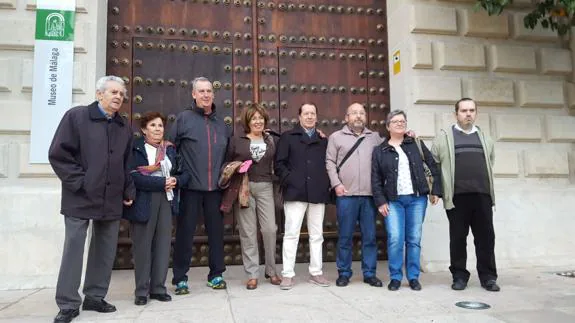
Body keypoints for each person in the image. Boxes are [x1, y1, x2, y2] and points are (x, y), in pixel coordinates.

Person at [48, 75, 135, 323]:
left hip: (111, 197)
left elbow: (126, 163)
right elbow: (58, 154)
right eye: (113, 92)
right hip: (80, 196)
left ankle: (95, 296)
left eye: (121, 93)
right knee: (74, 249)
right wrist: (79, 182)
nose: (118, 96)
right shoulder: (76, 117)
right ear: (99, 94)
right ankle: (67, 303)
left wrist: (128, 190)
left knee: (105, 249)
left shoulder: (123, 127)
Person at [169, 76, 231, 294]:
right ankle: (180, 278)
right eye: (201, 91)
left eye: (209, 91)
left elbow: (230, 152)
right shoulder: (183, 119)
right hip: (190, 187)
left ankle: (216, 274)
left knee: (216, 234)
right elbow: (170, 148)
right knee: (185, 232)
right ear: (193, 94)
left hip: (215, 189)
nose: (206, 95)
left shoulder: (221, 124)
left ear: (213, 94)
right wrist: (180, 173)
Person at [431, 98, 500, 292]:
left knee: (486, 238)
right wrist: (436, 191)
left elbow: (490, 161)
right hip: (457, 197)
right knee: (458, 238)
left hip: (482, 196)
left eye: (471, 110)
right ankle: (459, 276)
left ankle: (488, 277)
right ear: (456, 114)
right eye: (463, 111)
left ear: (476, 113)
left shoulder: (484, 137)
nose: (468, 114)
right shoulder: (444, 137)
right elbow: (434, 165)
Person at [123, 112, 189, 305]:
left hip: (166, 200)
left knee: (162, 244)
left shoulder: (169, 150)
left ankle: (158, 288)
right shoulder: (136, 149)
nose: (158, 129)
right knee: (143, 247)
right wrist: (160, 183)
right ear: (144, 129)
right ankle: (142, 291)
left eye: (160, 125)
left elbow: (184, 174)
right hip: (144, 200)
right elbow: (133, 176)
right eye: (153, 125)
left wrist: (176, 180)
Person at [371, 110, 442, 291]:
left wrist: (435, 190)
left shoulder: (415, 144)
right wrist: (380, 201)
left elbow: (433, 166)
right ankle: (395, 277)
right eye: (395, 122)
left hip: (417, 199)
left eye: (403, 121)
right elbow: (376, 179)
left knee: (414, 238)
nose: (400, 124)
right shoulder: (380, 150)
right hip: (393, 201)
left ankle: (413, 277)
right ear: (388, 126)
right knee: (395, 238)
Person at [326, 103, 385, 288]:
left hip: (369, 196)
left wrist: (409, 135)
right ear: (346, 117)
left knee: (370, 237)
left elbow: (393, 145)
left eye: (361, 113)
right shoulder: (336, 137)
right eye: (354, 113)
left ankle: (369, 273)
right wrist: (336, 184)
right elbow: (330, 162)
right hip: (346, 195)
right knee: (345, 237)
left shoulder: (375, 138)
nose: (358, 116)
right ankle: (344, 273)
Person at [223, 104, 281, 290]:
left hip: (265, 187)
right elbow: (226, 162)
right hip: (243, 187)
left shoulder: (272, 139)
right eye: (254, 118)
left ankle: (271, 270)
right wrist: (235, 167)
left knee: (270, 229)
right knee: (248, 232)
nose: (258, 121)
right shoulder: (236, 140)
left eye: (260, 118)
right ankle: (252, 274)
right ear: (247, 121)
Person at [274, 103, 331, 290]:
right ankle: (288, 274)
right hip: (295, 192)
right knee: (291, 234)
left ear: (316, 117)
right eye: (306, 113)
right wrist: (291, 179)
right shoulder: (288, 137)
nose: (309, 117)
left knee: (317, 235)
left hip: (317, 192)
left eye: (312, 113)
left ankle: (316, 272)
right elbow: (279, 164)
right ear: (299, 116)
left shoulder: (323, 140)